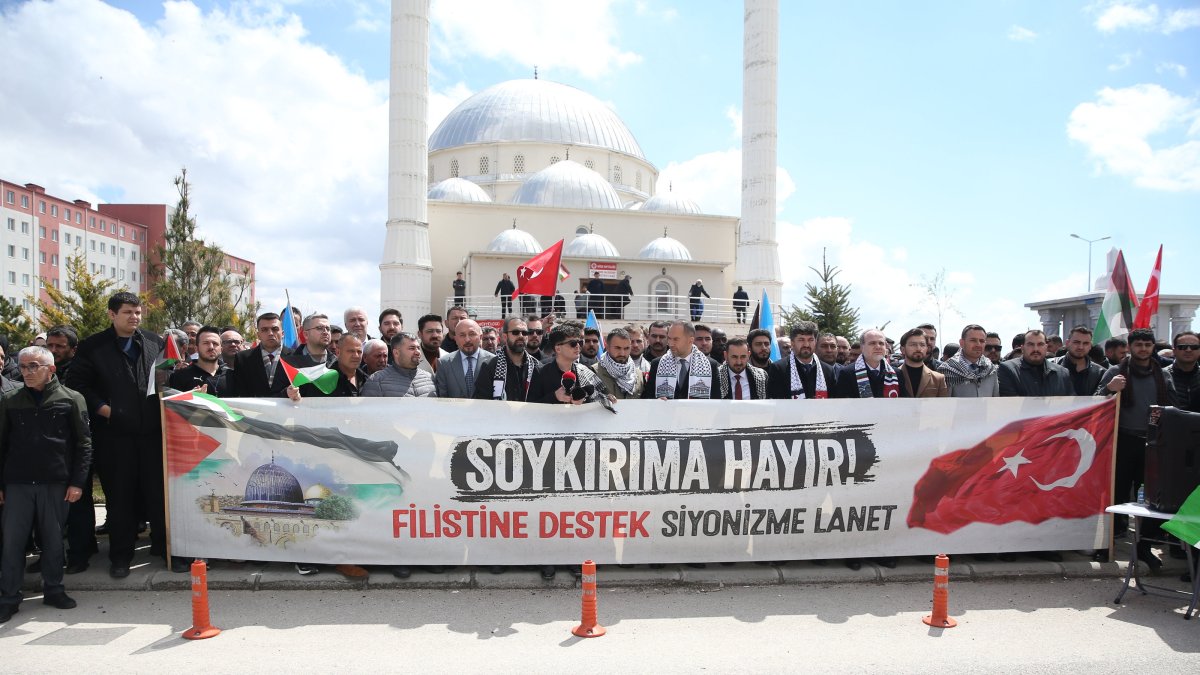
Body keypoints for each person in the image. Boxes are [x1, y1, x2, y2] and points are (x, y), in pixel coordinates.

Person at [64, 292, 170, 578]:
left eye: (138, 312)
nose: (134, 317)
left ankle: (164, 547)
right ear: (112, 314)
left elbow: (166, 378)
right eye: (127, 312)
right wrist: (106, 410)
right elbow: (78, 385)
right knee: (120, 497)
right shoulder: (93, 346)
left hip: (151, 435)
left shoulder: (154, 342)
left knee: (157, 494)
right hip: (114, 436)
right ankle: (121, 556)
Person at [0, 346, 93, 623]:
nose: (27, 372)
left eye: (33, 366)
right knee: (12, 543)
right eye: (23, 366)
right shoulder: (9, 399)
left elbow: (84, 443)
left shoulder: (71, 398)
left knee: (53, 540)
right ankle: (9, 597)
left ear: (50, 369)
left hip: (55, 482)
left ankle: (54, 590)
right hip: (17, 483)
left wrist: (77, 482)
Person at [1097, 328, 1178, 570]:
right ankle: (1106, 544)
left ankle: (1144, 546)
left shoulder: (1163, 375)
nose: (1143, 349)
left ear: (1152, 347)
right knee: (1116, 493)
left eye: (1147, 345)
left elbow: (1174, 409)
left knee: (1153, 499)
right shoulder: (1115, 372)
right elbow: (1096, 402)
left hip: (1153, 444)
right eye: (1138, 345)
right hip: (1122, 441)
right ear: (1129, 347)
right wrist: (1110, 388)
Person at [644, 321, 720, 400]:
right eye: (669, 338)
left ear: (690, 340)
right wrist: (656, 401)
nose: (671, 344)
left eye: (676, 339)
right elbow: (648, 397)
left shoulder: (710, 365)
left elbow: (716, 400)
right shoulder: (657, 364)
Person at [223, 313, 292, 398]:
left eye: (275, 329)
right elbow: (241, 392)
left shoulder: (296, 356)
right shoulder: (243, 358)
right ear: (258, 335)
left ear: (283, 333)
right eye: (264, 330)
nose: (270, 333)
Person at [473, 318, 539, 401]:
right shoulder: (490, 367)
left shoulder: (537, 367)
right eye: (515, 332)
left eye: (524, 333)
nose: (521, 336)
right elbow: (482, 400)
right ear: (505, 336)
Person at [767, 322, 836, 400]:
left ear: (816, 342)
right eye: (801, 340)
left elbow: (833, 403)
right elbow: (775, 402)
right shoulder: (779, 369)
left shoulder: (827, 370)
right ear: (792, 343)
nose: (806, 344)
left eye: (810, 340)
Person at [363, 332, 437, 399]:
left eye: (418, 348)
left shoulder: (430, 378)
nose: (417, 352)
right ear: (396, 353)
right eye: (412, 348)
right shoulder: (377, 381)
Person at [997, 330, 1072, 397]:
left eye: (1040, 344)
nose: (1036, 349)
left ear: (1046, 347)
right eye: (1030, 344)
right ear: (1022, 348)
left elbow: (1071, 403)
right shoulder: (1008, 370)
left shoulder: (1062, 373)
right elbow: (1010, 402)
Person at [833, 329, 900, 399]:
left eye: (881, 343)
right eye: (872, 343)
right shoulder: (847, 373)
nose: (878, 347)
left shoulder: (897, 374)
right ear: (862, 347)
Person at [434, 320, 493, 399]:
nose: (467, 339)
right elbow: (442, 397)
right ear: (455, 339)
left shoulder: (493, 361)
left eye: (472, 334)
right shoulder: (444, 363)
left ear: (480, 337)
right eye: (462, 335)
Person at [937, 324, 999, 398]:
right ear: (962, 343)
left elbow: (995, 399)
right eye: (973, 340)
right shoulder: (947, 370)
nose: (978, 344)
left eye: (982, 341)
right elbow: (944, 403)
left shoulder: (991, 369)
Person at [169, 326, 228, 393]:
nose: (211, 347)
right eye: (206, 343)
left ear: (221, 349)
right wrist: (192, 397)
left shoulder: (231, 375)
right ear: (196, 348)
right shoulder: (180, 376)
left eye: (215, 343)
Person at [896, 328, 949, 398]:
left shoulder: (938, 379)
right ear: (903, 349)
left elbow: (943, 404)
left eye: (922, 345)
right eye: (913, 345)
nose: (918, 348)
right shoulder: (893, 377)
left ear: (927, 348)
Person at [593, 328, 643, 399]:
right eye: (617, 348)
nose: (622, 353)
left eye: (626, 348)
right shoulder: (594, 372)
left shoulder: (639, 375)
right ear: (607, 347)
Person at [1056, 326, 1105, 397]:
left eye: (1085, 343)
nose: (1080, 347)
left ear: (1090, 346)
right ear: (1067, 343)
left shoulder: (1100, 373)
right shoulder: (1051, 368)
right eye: (1076, 342)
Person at [1166, 331, 1200, 413]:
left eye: (1194, 347)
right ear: (1174, 351)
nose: (1188, 350)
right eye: (1182, 347)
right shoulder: (1161, 376)